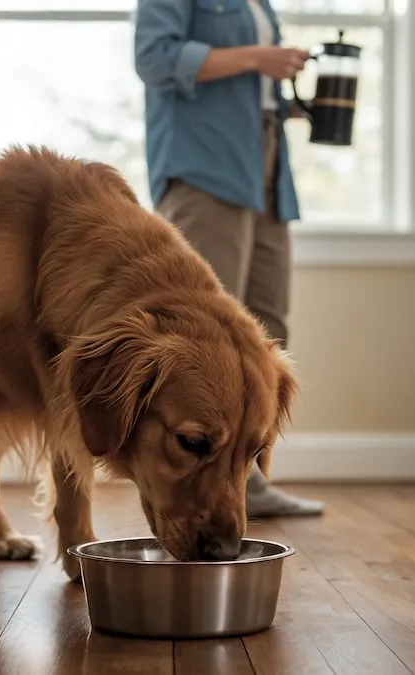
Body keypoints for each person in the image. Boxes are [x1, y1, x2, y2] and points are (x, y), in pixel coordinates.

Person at [134, 0, 323, 518]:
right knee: (204, 334)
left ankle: (248, 485)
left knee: (268, 327)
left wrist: (286, 102)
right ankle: (183, 492)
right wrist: (257, 58)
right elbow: (154, 59)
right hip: (206, 167)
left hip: (264, 162)